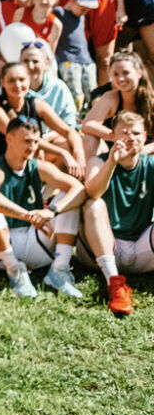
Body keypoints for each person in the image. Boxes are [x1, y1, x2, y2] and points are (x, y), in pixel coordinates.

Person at [0, 116, 84, 300]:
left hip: (35, 241)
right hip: (0, 248)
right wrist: (26, 215)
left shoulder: (37, 166)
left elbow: (78, 188)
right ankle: (14, 269)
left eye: (36, 142)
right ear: (9, 139)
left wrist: (51, 211)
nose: (32, 147)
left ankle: (59, 269)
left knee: (69, 200)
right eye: (26, 141)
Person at [70, 112, 153, 317]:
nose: (130, 137)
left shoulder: (149, 165)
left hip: (140, 247)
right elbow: (92, 192)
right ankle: (115, 284)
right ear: (113, 136)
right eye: (124, 133)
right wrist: (112, 163)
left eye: (135, 133)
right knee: (93, 206)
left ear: (145, 136)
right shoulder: (99, 162)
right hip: (101, 249)